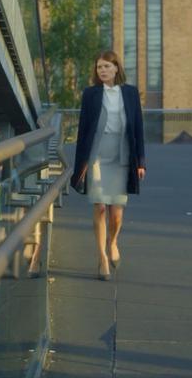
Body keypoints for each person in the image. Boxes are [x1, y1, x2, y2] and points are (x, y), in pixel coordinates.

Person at [70, 50, 145, 281]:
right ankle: (102, 256)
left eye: (106, 66)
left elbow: (138, 128)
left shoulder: (130, 94)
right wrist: (80, 163)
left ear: (116, 69)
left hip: (122, 154)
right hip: (96, 155)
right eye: (99, 67)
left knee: (117, 213)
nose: (102, 70)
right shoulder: (91, 94)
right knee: (100, 206)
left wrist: (140, 161)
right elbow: (83, 130)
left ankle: (113, 243)